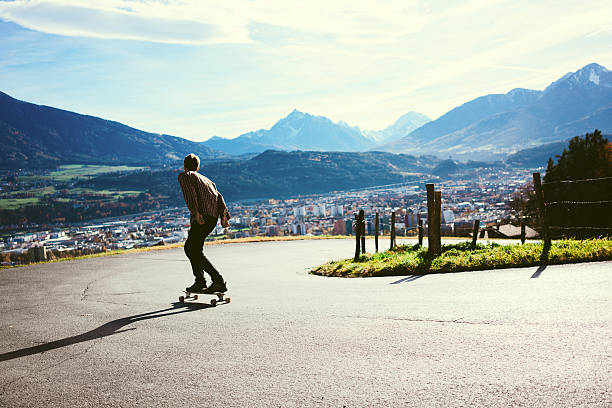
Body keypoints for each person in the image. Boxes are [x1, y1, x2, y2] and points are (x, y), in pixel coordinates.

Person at [178, 153, 230, 293]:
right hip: (212, 218)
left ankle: (217, 281)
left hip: (202, 217)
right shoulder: (207, 180)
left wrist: (196, 213)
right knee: (196, 249)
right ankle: (200, 281)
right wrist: (224, 216)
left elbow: (190, 195)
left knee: (190, 248)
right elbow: (219, 197)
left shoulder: (186, 176)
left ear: (185, 166)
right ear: (198, 167)